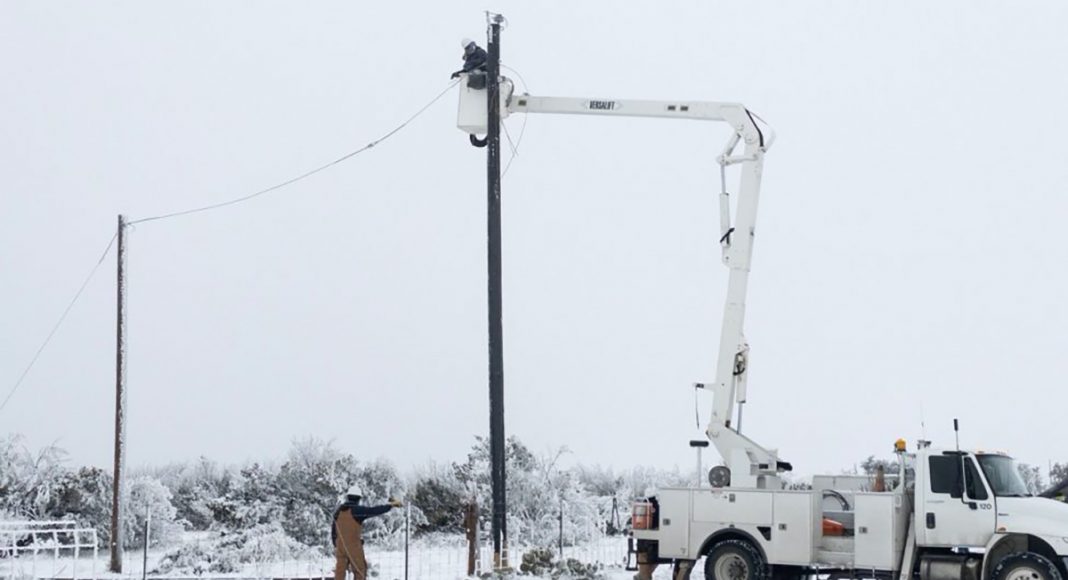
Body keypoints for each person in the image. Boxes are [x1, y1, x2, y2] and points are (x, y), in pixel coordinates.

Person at [332, 485, 403, 580]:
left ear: (348, 497)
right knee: (360, 570)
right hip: (353, 546)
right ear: (358, 498)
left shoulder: (339, 510)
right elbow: (374, 511)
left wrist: (336, 544)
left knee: (339, 572)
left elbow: (333, 529)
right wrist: (390, 505)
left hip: (340, 545)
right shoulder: (357, 510)